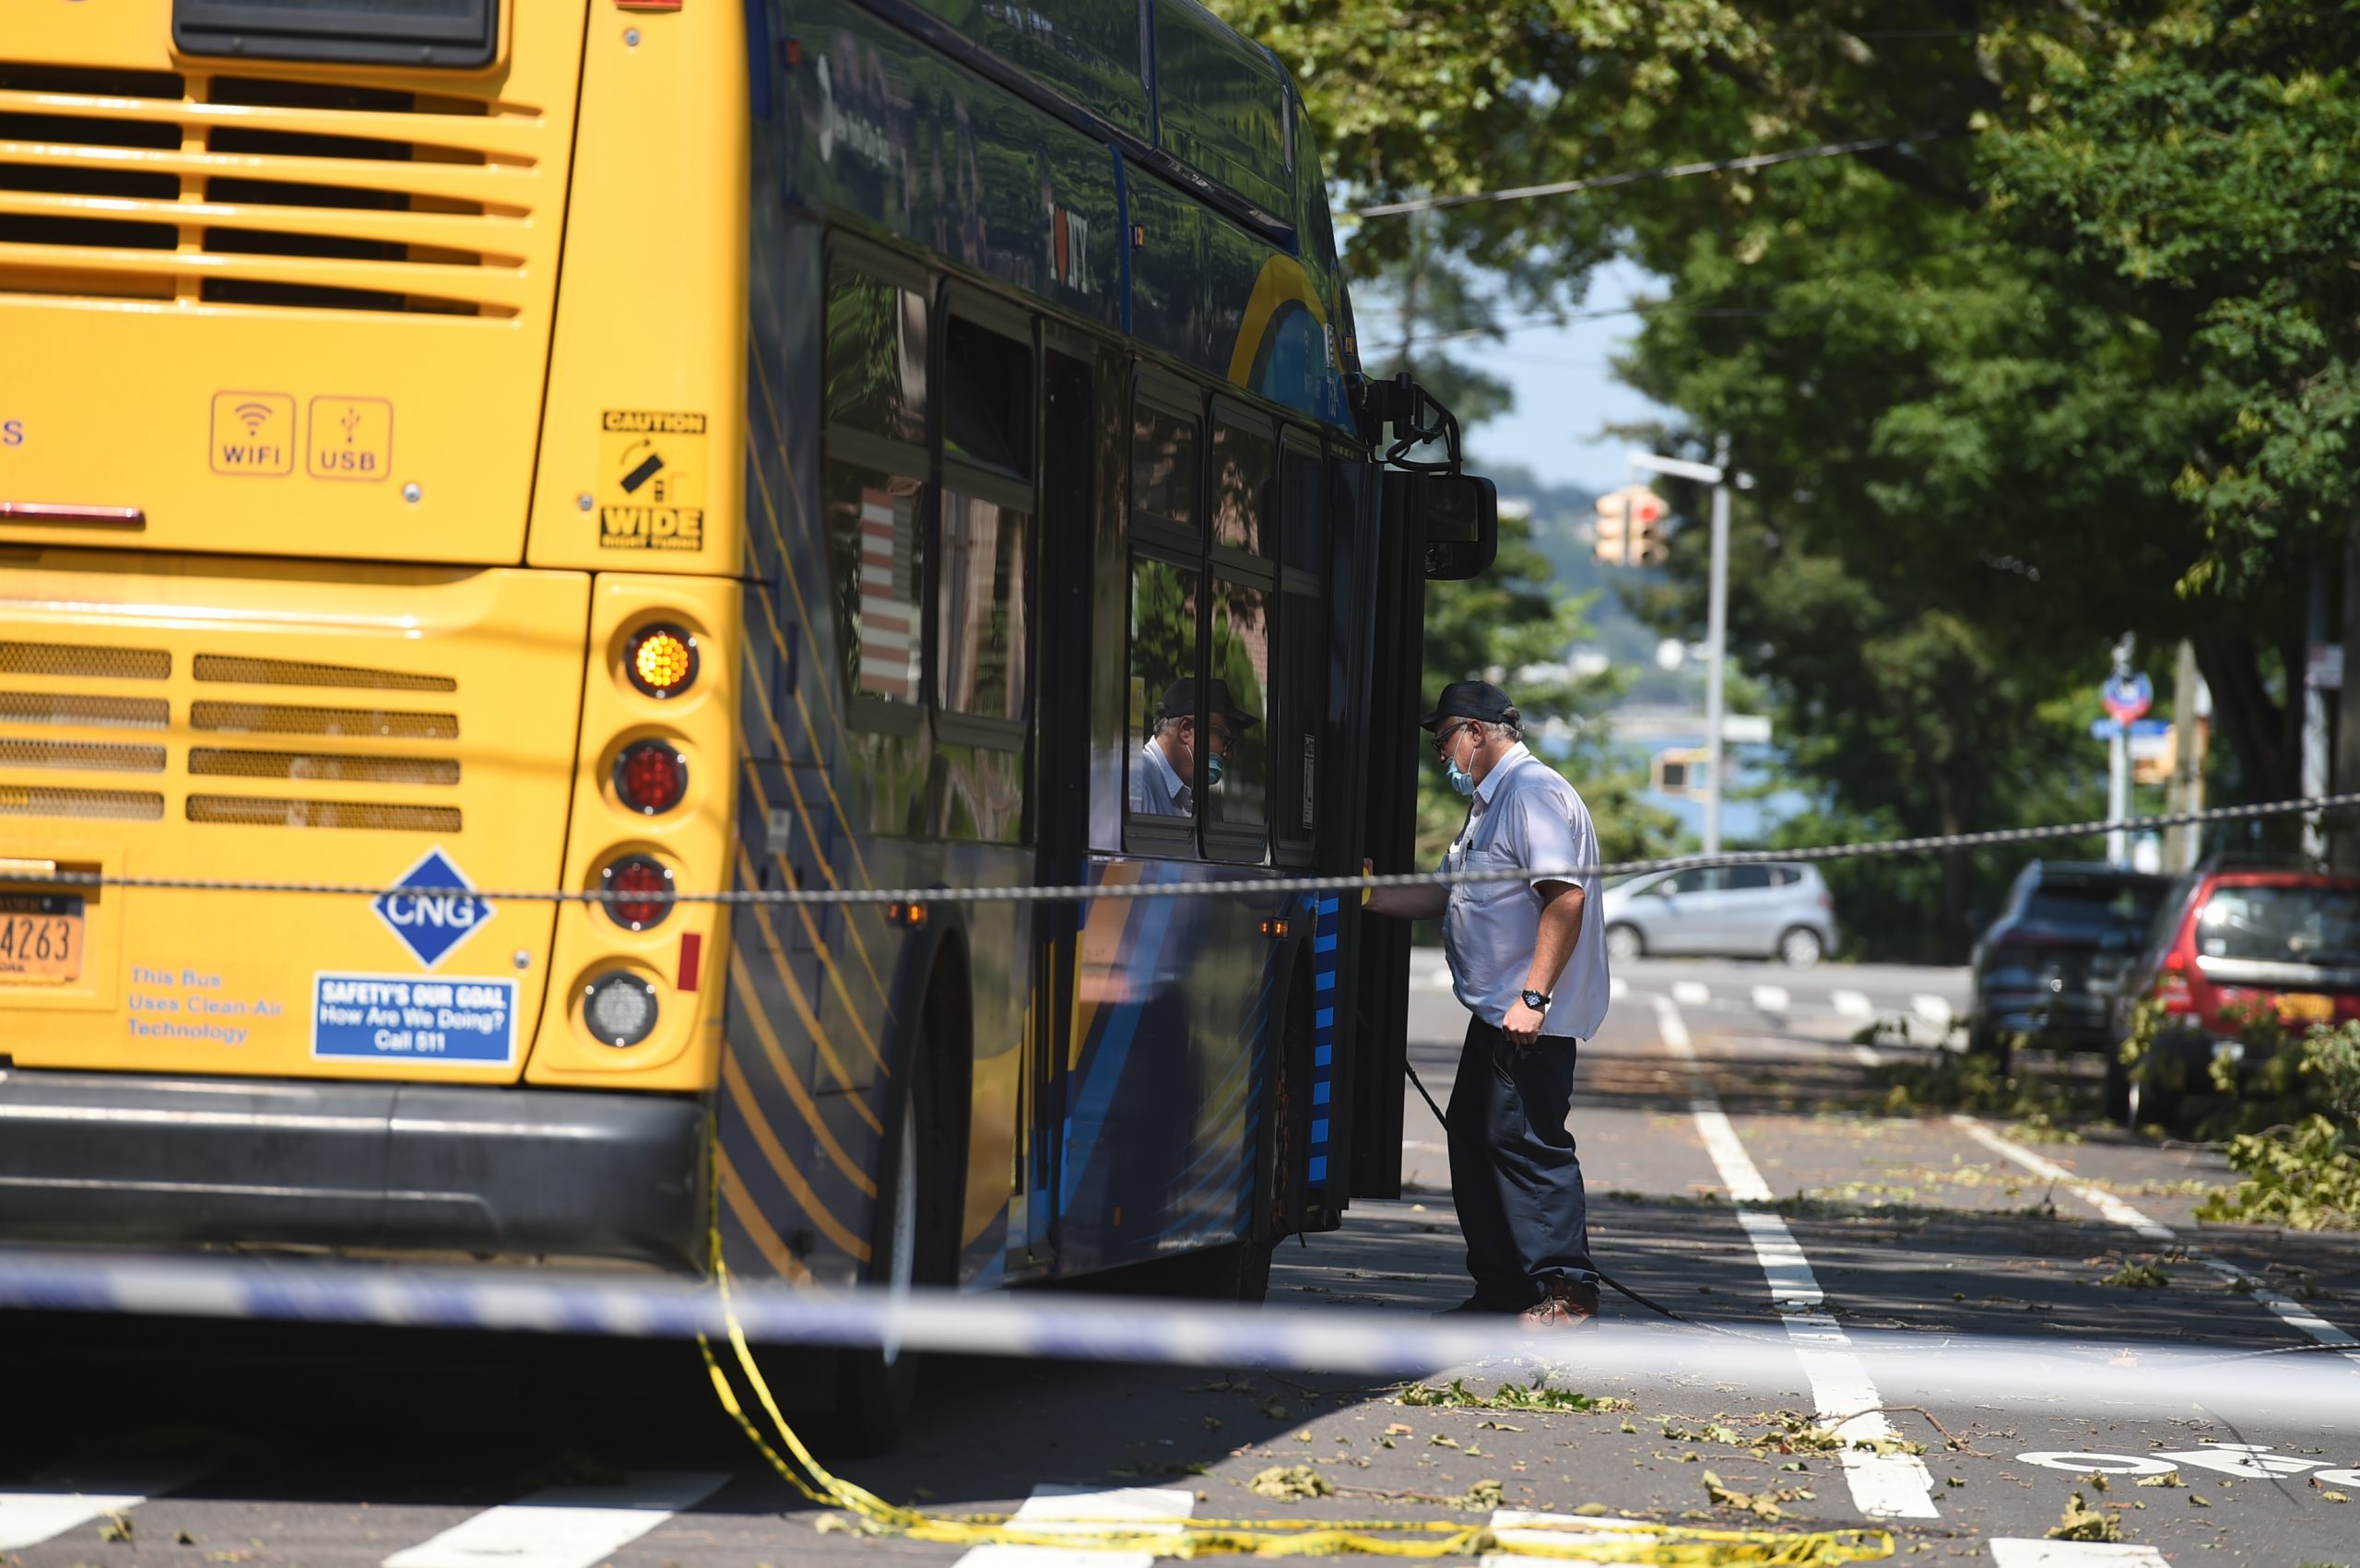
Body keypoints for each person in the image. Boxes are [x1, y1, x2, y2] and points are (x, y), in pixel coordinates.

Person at [1364, 679, 1611, 1329]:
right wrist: (1360, 893)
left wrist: (1534, 996)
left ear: (1475, 731)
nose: (1442, 752)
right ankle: (1503, 1285)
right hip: (1497, 1013)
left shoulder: (1532, 794)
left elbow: (1565, 896)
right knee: (1475, 1133)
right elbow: (1442, 895)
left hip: (1527, 1015)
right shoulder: (1488, 804)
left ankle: (1569, 1290)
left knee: (1526, 1142)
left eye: (1444, 737)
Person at [1128, 678, 1256, 818]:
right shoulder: (1134, 784)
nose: (1228, 753)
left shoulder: (1198, 807)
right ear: (1186, 729)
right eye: (1224, 738)